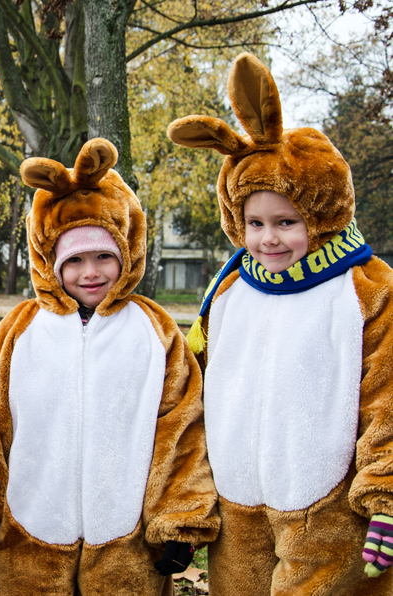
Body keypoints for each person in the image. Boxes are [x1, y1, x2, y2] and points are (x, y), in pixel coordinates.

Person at [0, 138, 219, 596]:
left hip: (128, 544)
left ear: (126, 255)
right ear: (51, 262)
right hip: (26, 536)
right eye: (73, 260)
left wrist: (180, 514)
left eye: (103, 257)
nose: (89, 272)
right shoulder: (19, 331)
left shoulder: (156, 333)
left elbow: (182, 428)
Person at [167, 52, 393, 595]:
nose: (269, 239)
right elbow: (193, 380)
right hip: (238, 499)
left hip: (331, 506)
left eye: (286, 222)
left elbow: (387, 395)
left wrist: (384, 491)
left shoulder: (367, 290)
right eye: (255, 223)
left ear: (319, 213)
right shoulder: (229, 287)